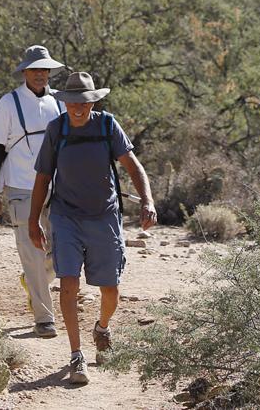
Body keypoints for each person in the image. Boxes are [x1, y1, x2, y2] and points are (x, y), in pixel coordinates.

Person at [28, 71, 157, 385]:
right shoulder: (57, 129)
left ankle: (102, 328)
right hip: (66, 216)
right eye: (73, 102)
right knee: (68, 283)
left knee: (110, 288)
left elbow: (132, 166)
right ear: (65, 102)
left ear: (93, 102)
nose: (78, 107)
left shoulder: (107, 126)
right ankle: (76, 355)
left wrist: (147, 200)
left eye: (84, 102)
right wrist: (33, 221)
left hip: (104, 216)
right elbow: (43, 177)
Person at [0, 45, 67, 338]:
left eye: (44, 69)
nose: (40, 74)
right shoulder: (8, 102)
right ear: (24, 72)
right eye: (34, 70)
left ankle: (33, 280)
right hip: (20, 186)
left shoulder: (60, 102)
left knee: (62, 250)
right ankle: (44, 319)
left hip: (57, 186)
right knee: (33, 252)